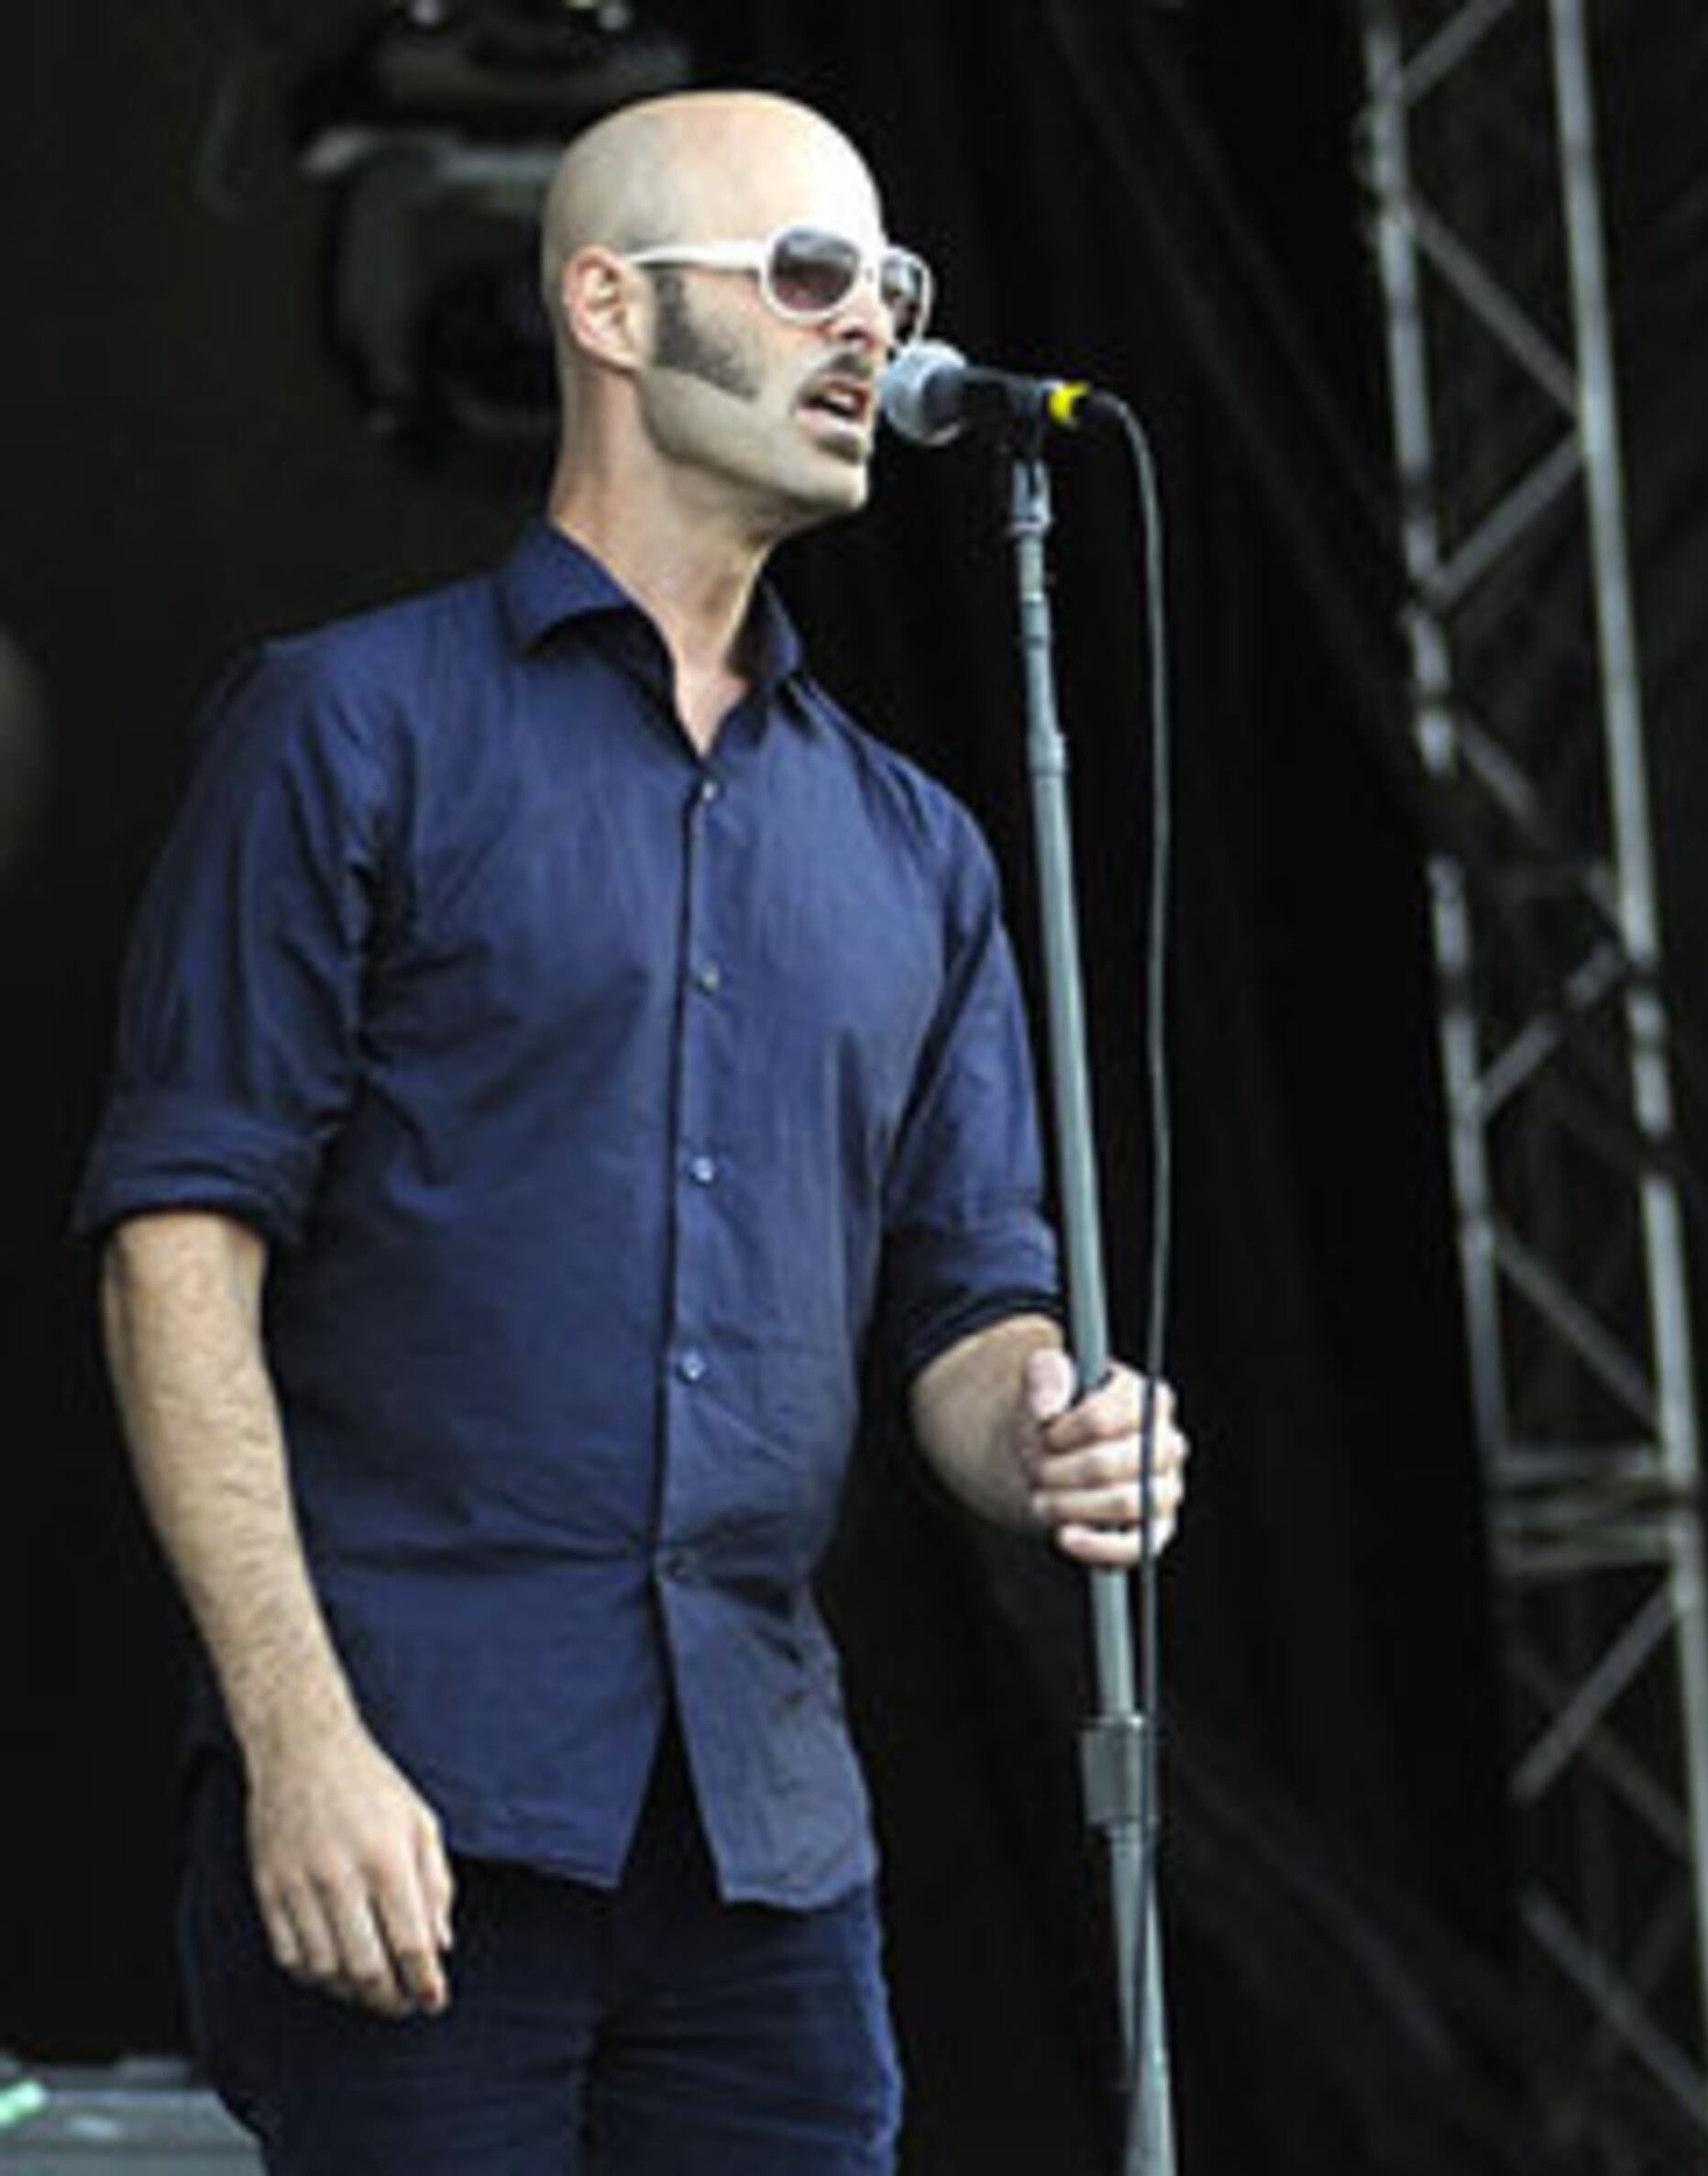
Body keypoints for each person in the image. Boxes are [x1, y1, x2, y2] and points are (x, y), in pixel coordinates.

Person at [72, 88, 1185, 2173]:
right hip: (415, 1795)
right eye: (806, 275)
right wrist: (299, 1738)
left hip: (764, 1838)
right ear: (606, 308)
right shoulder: (351, 727)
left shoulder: (915, 846)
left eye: (893, 281)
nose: (872, 327)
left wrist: (1051, 1422)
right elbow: (177, 1250)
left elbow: (969, 1306)